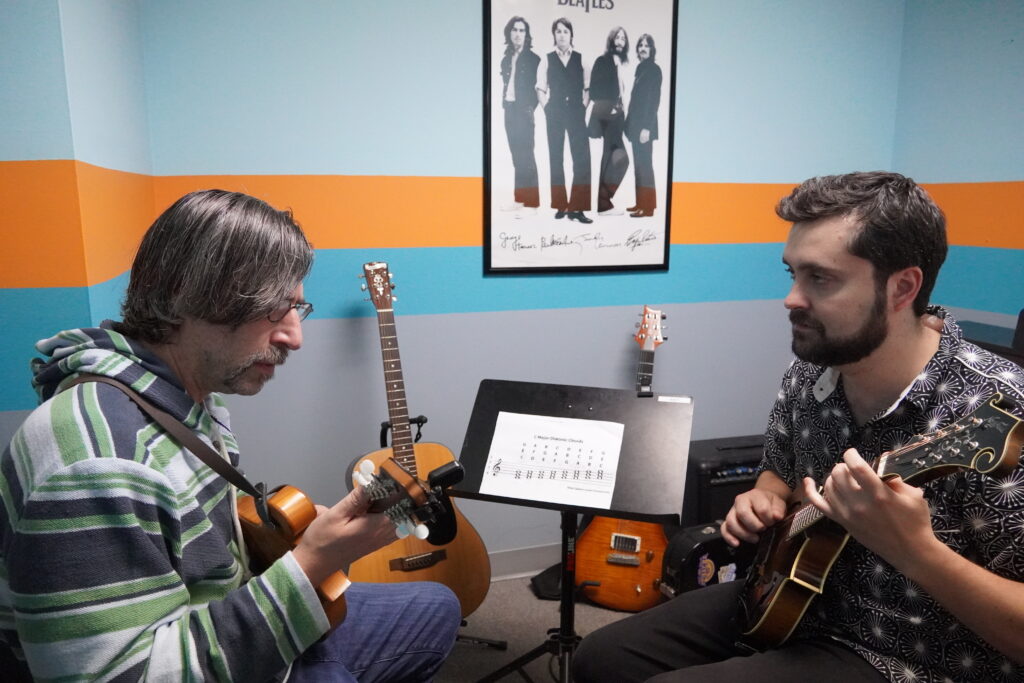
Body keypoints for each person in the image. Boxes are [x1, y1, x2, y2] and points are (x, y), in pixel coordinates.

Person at [573, 172, 1024, 682]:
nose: (791, 298)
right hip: (790, 597)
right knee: (600, 658)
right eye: (792, 273)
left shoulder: (1000, 413)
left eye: (820, 278)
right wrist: (761, 498)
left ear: (902, 288)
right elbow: (779, 471)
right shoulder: (811, 371)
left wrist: (915, 551)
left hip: (913, 654)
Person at [0, 190, 461, 682]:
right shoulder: (98, 464)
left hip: (230, 615)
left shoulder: (183, 394)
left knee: (437, 606)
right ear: (187, 295)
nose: (294, 337)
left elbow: (204, 540)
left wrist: (296, 539)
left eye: (296, 310)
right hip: (216, 654)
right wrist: (310, 565)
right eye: (273, 309)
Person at [536, 17, 593, 224]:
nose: (561, 35)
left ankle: (577, 208)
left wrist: (583, 106)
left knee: (582, 159)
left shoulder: (581, 59)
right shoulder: (547, 59)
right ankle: (561, 205)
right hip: (555, 113)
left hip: (576, 113)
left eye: (565, 31)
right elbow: (540, 88)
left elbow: (588, 88)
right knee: (556, 158)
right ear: (554, 35)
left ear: (571, 35)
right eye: (558, 31)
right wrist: (548, 108)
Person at [499, 16, 541, 218]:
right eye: (514, 30)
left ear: (527, 34)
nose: (518, 34)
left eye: (522, 30)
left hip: (524, 111)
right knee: (517, 157)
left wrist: (530, 109)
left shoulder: (534, 59)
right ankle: (520, 199)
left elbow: (539, 87)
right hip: (510, 110)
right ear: (509, 33)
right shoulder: (506, 59)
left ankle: (532, 204)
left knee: (527, 155)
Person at [587, 27, 631, 217]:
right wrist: (611, 107)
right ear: (611, 40)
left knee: (613, 157)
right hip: (607, 114)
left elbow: (623, 93)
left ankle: (603, 202)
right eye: (617, 37)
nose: (620, 41)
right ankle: (603, 203)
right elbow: (595, 90)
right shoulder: (602, 61)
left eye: (623, 38)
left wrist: (621, 111)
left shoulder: (621, 65)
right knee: (617, 157)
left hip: (618, 116)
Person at [623, 34, 662, 218]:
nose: (643, 48)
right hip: (635, 126)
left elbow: (653, 101)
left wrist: (647, 127)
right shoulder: (640, 68)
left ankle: (648, 208)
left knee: (645, 165)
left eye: (647, 45)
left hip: (645, 127)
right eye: (641, 45)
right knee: (639, 165)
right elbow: (635, 100)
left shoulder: (654, 70)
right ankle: (640, 203)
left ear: (652, 49)